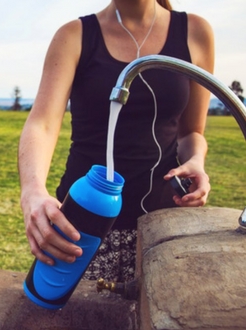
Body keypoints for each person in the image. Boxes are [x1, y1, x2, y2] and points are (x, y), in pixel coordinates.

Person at [18, 0, 213, 282]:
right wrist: (32, 191)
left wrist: (196, 160)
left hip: (166, 222)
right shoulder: (74, 35)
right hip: (82, 225)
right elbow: (42, 124)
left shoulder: (194, 32)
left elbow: (191, 132)